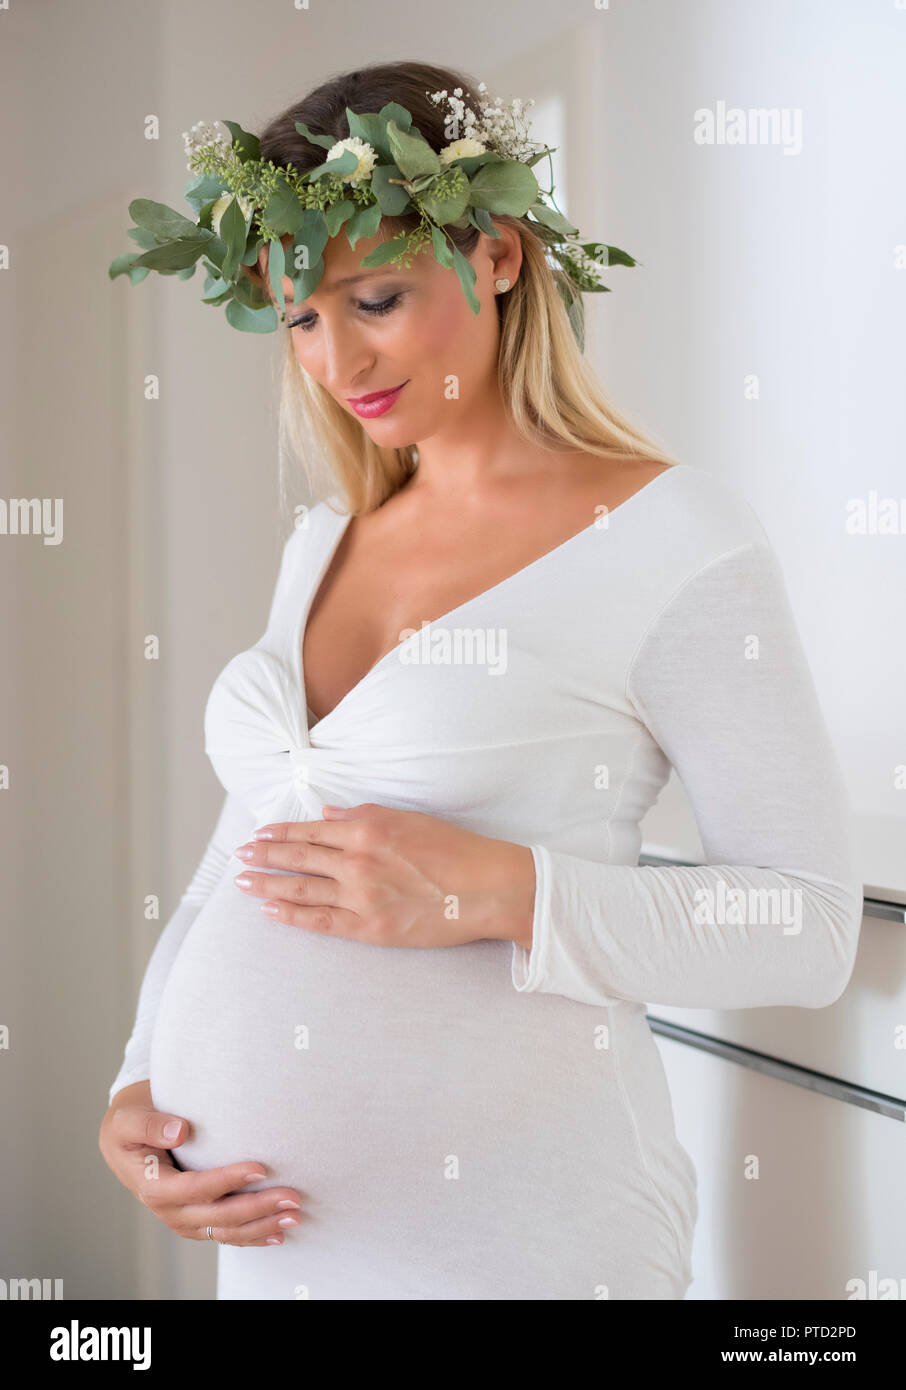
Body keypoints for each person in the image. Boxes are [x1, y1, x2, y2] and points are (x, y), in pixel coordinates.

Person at [99, 61, 863, 1300]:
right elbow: (246, 855)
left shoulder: (672, 537)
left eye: (377, 297)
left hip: (522, 1246)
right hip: (277, 1257)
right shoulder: (324, 542)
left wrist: (500, 891)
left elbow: (810, 927)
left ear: (500, 252)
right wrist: (140, 1080)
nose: (335, 358)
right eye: (298, 318)